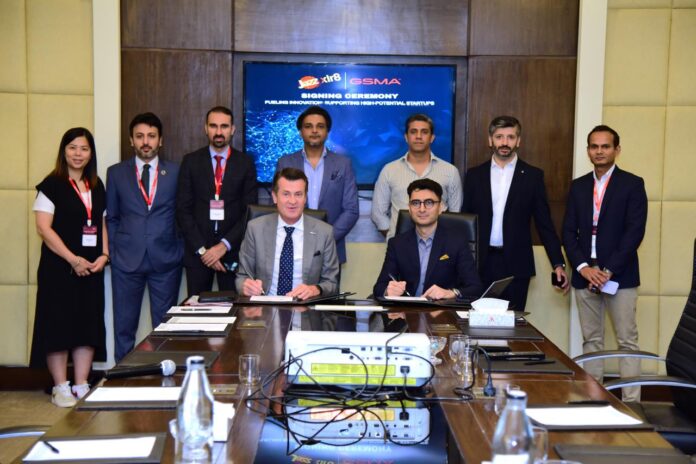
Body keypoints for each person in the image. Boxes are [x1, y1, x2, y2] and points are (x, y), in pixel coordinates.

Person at [563, 125, 648, 402]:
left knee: (627, 341)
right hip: (585, 274)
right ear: (588, 150)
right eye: (594, 146)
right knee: (592, 341)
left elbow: (634, 233)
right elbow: (568, 232)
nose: (599, 151)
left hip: (620, 275)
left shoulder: (632, 184)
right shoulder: (578, 186)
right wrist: (583, 268)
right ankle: (594, 399)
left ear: (616, 150)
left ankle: (632, 404)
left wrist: (608, 270)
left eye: (605, 146)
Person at [31, 127, 109, 407]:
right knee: (58, 324)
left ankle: (81, 383)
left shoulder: (96, 185)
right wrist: (72, 259)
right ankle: (60, 386)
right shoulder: (51, 184)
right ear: (64, 151)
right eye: (73, 147)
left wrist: (104, 254)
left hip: (91, 267)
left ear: (91, 154)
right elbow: (43, 228)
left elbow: (101, 222)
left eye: (84, 149)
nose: (78, 154)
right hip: (59, 268)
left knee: (87, 323)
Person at [464, 115, 568, 311]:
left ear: (518, 141)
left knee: (513, 323)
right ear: (490, 140)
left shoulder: (533, 176)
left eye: (511, 137)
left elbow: (544, 224)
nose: (505, 142)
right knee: (476, 322)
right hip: (479, 264)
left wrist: (558, 264)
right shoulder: (474, 175)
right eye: (499, 137)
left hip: (516, 265)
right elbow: (465, 223)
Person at [106, 113, 183, 362]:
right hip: (126, 261)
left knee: (165, 328)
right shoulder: (116, 173)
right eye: (139, 136)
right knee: (124, 328)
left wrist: (179, 249)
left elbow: (183, 214)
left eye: (151, 136)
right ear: (131, 140)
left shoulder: (176, 172)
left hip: (166, 260)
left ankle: (163, 377)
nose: (145, 142)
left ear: (160, 140)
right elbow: (112, 217)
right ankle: (122, 378)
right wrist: (115, 252)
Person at [176, 106, 257, 296]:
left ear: (232, 129)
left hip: (232, 252)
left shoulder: (245, 163)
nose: (219, 132)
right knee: (197, 309)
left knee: (233, 309)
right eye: (213, 126)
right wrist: (204, 251)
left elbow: (248, 212)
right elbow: (182, 210)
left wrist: (223, 246)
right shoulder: (190, 161)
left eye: (224, 126)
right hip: (198, 254)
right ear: (206, 128)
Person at [236, 167, 339, 299]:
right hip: (265, 305)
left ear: (305, 198)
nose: (292, 201)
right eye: (286, 194)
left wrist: (315, 289)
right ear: (275, 197)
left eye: (298, 194)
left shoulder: (324, 232)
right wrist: (245, 286)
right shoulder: (255, 228)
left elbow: (332, 283)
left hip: (304, 305)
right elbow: (241, 277)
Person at [276, 106, 359, 269]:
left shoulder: (343, 164)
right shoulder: (285, 162)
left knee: (328, 288)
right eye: (308, 126)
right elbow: (278, 204)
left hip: (331, 249)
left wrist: (325, 239)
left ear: (327, 132)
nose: (314, 131)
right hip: (292, 246)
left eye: (320, 126)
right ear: (300, 132)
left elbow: (351, 210)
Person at [373, 179, 482, 299]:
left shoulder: (456, 242)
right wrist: (388, 291)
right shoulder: (397, 244)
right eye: (415, 203)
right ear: (409, 208)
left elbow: (475, 288)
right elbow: (379, 287)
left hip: (441, 308)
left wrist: (450, 293)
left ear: (440, 207)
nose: (422, 209)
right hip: (407, 308)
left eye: (429, 203)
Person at [372, 113, 462, 239]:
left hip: (440, 244)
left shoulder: (450, 172)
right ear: (406, 137)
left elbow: (455, 215)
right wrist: (394, 237)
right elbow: (378, 213)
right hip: (400, 244)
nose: (418, 136)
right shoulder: (389, 170)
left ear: (432, 138)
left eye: (424, 132)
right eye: (413, 132)